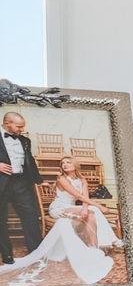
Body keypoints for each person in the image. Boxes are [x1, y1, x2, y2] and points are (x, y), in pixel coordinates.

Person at [0, 110, 43, 264]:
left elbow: (30, 160)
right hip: (1, 184)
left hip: (21, 183)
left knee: (31, 217)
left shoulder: (25, 140)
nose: (22, 129)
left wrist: (39, 181)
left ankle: (36, 254)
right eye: (19, 126)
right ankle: (7, 256)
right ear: (7, 124)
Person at [50, 157, 121, 250]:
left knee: (91, 213)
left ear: (75, 165)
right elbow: (79, 196)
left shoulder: (82, 180)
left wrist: (84, 209)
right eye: (63, 163)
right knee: (95, 209)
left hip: (72, 207)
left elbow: (85, 198)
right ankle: (110, 241)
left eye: (68, 162)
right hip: (59, 207)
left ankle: (95, 247)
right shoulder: (62, 179)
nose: (65, 165)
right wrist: (100, 206)